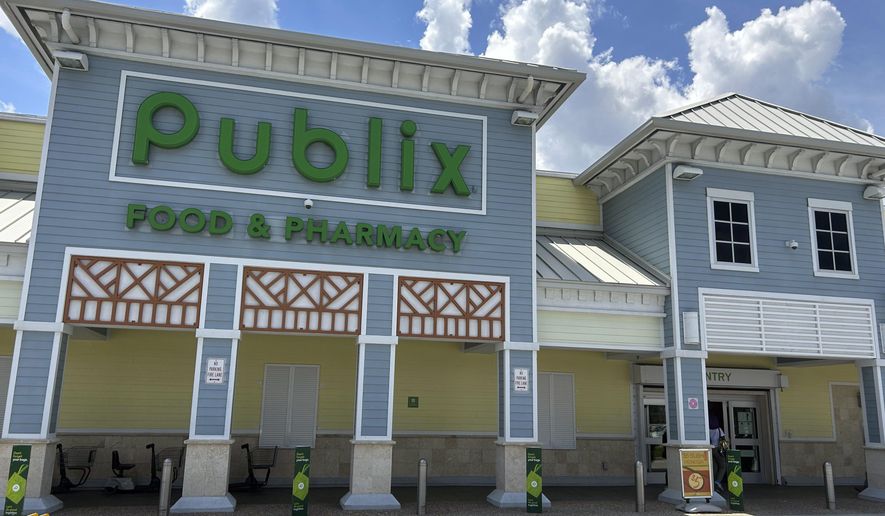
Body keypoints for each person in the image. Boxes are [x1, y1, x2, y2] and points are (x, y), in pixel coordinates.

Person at [709, 414, 727, 494]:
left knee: (714, 466)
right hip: (718, 449)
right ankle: (717, 482)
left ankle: (713, 482)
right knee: (723, 466)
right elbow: (723, 439)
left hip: (710, 449)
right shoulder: (719, 430)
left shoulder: (707, 429)